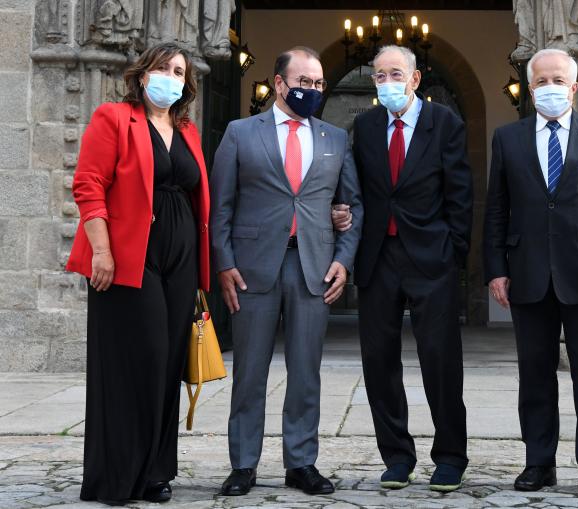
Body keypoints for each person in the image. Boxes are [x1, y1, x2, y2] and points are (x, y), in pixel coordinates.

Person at [483, 48, 578, 498]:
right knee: (535, 375)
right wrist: (495, 268)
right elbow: (496, 209)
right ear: (530, 89)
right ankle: (538, 462)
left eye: (558, 80)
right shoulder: (507, 138)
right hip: (527, 272)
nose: (550, 88)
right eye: (541, 81)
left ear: (574, 88)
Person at [210, 46, 362, 497]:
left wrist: (343, 259)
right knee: (250, 370)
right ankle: (243, 464)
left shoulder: (334, 138)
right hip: (252, 268)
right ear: (279, 84)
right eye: (303, 82)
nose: (312, 90)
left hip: (312, 264)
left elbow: (352, 206)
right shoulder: (240, 133)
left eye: (317, 84)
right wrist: (224, 263)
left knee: (305, 369)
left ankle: (301, 462)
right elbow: (221, 207)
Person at [66, 42, 210, 506]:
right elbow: (88, 184)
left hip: (181, 262)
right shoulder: (114, 117)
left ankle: (154, 472)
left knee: (169, 365)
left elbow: (194, 196)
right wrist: (102, 252)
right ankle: (117, 475)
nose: (172, 77)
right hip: (129, 257)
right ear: (143, 73)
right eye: (164, 68)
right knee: (140, 361)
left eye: (180, 71)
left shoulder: (187, 130)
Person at [348, 44, 473, 492]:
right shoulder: (363, 127)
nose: (387, 84)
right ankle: (396, 456)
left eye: (395, 74)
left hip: (430, 258)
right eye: (378, 76)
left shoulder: (446, 124)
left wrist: (453, 253)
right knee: (378, 361)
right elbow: (358, 188)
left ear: (415, 79)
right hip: (378, 257)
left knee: (440, 360)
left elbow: (460, 194)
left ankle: (450, 457)